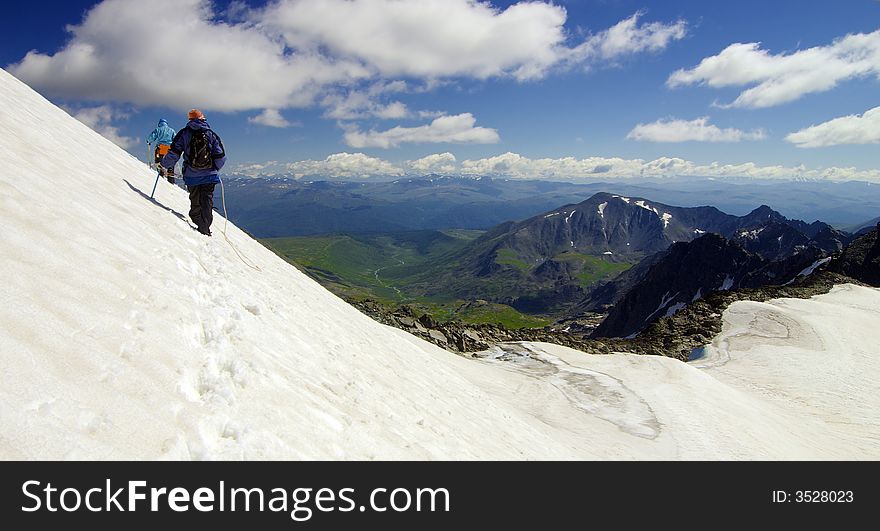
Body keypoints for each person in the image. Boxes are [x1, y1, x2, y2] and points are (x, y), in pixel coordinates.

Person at [161, 109, 226, 237]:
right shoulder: (211, 134)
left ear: (190, 120)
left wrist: (164, 164)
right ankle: (205, 227)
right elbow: (221, 156)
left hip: (192, 175)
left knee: (195, 200)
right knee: (207, 200)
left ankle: (198, 221)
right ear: (203, 119)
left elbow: (174, 153)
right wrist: (214, 168)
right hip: (209, 175)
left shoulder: (184, 134)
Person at [146, 118, 176, 184]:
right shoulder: (172, 130)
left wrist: (148, 141)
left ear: (159, 123)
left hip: (160, 148)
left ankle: (160, 176)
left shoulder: (158, 129)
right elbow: (176, 139)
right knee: (170, 163)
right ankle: (171, 179)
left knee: (158, 162)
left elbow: (152, 136)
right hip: (169, 149)